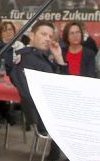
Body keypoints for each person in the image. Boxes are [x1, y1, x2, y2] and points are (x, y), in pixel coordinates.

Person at [10, 21, 66, 161]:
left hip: (55, 111)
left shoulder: (44, 57)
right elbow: (28, 94)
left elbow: (65, 86)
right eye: (43, 34)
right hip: (44, 116)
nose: (48, 38)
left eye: (50, 36)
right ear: (32, 35)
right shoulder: (25, 58)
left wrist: (59, 57)